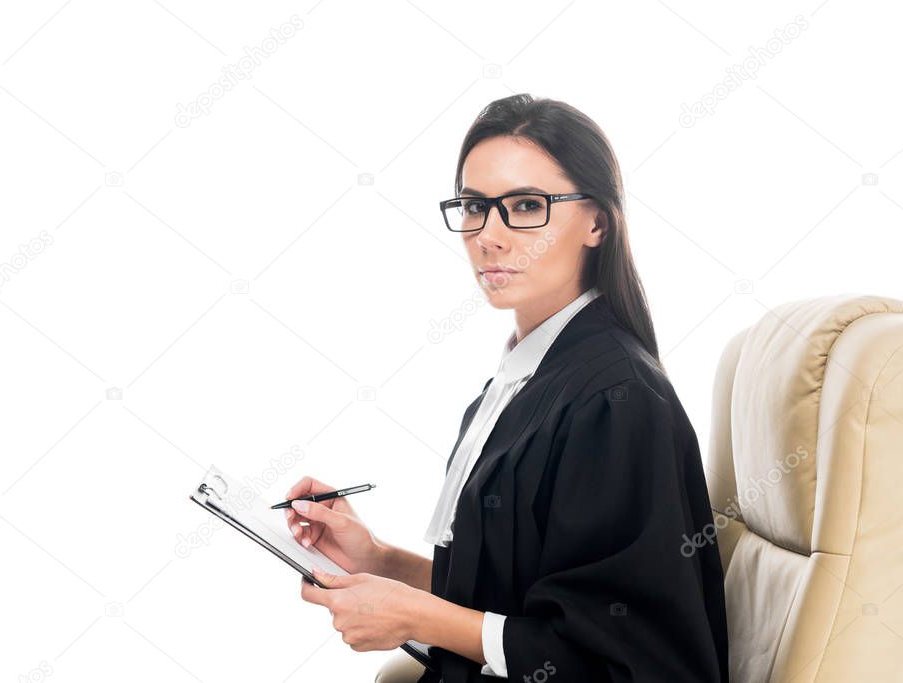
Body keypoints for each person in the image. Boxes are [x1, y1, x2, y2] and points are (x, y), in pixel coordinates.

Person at [288, 93, 729, 682]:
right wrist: (379, 561)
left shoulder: (614, 403)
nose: (488, 236)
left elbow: (623, 661)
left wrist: (415, 614)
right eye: (473, 207)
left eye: (525, 205)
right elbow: (515, 604)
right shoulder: (517, 384)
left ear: (597, 221)